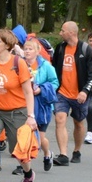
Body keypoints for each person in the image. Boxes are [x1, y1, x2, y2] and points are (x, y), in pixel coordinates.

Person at [0, 28, 37, 182]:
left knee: (17, 150)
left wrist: (30, 116)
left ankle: (28, 174)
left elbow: (28, 92)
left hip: (17, 112)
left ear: (7, 45)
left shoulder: (18, 63)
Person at [52, 21, 92, 165]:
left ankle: (77, 151)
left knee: (78, 123)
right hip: (62, 93)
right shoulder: (60, 48)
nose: (60, 33)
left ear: (71, 32)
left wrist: (85, 91)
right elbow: (54, 70)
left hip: (79, 95)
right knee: (60, 119)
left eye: (62, 30)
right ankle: (63, 155)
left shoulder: (85, 49)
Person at [23, 37, 59, 172]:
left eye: (30, 49)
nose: (27, 51)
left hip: (42, 107)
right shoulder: (19, 64)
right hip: (25, 105)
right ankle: (24, 164)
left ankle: (47, 153)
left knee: (40, 138)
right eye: (25, 49)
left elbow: (55, 83)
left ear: (37, 51)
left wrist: (41, 90)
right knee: (25, 135)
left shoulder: (46, 66)